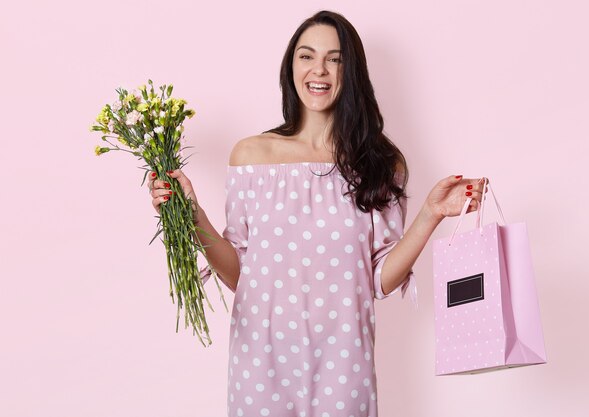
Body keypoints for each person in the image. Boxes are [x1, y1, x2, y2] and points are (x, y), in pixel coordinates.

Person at [149, 10, 485, 417]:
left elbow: (378, 278)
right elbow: (239, 272)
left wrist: (431, 213)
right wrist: (191, 213)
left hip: (344, 363)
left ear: (351, 70)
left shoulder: (379, 163)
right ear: (291, 66)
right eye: (306, 56)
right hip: (260, 363)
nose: (319, 69)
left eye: (335, 58)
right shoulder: (252, 155)